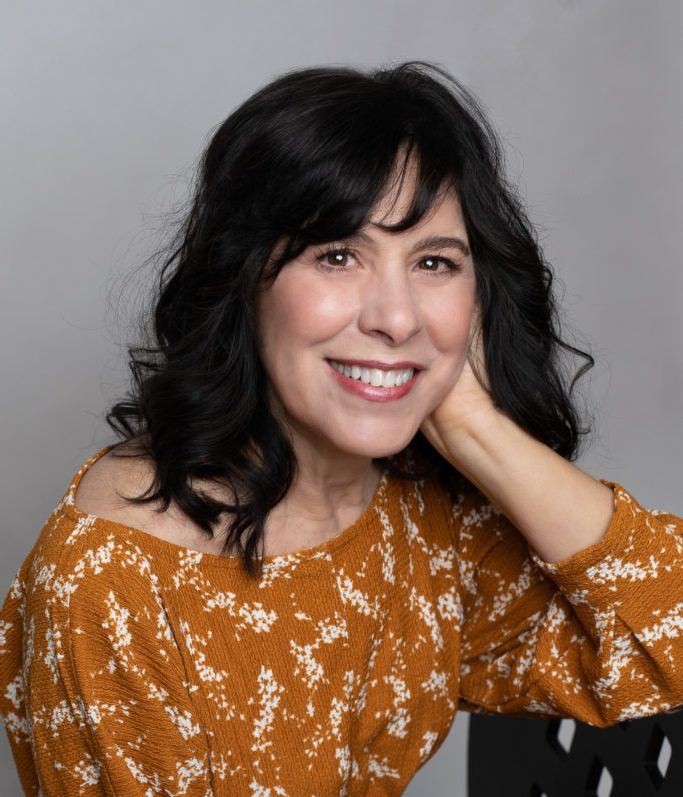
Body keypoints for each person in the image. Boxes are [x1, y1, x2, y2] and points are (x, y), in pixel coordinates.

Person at [0, 60, 681, 797]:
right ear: (243, 279)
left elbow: (666, 637)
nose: (395, 317)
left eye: (433, 261)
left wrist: (474, 425)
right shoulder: (115, 581)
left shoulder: (417, 516)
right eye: (337, 255)